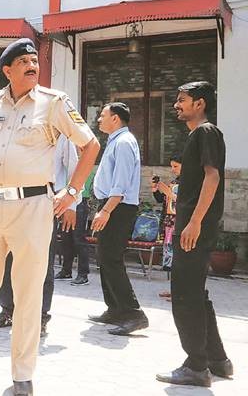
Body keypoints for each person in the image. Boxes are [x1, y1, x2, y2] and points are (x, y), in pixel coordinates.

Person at [0, 38, 99, 396]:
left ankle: (22, 374)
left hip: (33, 206)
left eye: (34, 60)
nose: (32, 65)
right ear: (7, 70)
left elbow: (90, 144)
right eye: (23, 61)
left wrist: (72, 192)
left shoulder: (54, 102)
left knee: (28, 290)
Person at [156, 81, 232, 388]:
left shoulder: (206, 132)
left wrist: (195, 221)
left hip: (194, 228)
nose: (177, 105)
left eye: (182, 100)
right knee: (196, 294)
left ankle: (196, 367)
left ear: (199, 104)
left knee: (185, 295)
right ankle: (217, 360)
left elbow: (212, 178)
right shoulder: (199, 135)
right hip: (193, 226)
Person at [0, 134, 80, 337]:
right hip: (12, 202)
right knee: (8, 259)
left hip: (46, 204)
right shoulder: (16, 127)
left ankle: (40, 316)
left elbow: (74, 168)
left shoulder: (61, 132)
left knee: (42, 263)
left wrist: (72, 204)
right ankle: (8, 309)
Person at [88, 102, 148, 336]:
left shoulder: (123, 142)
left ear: (115, 118)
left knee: (111, 258)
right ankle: (114, 309)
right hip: (111, 205)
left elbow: (121, 184)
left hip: (118, 207)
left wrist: (106, 211)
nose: (99, 119)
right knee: (104, 257)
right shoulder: (115, 141)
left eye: (102, 115)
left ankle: (134, 313)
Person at [57, 164, 95, 286]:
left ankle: (83, 274)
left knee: (79, 239)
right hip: (65, 201)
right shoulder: (67, 163)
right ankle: (66, 271)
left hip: (80, 202)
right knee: (66, 237)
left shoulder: (84, 164)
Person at [153, 155, 181, 298]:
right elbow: (163, 200)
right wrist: (156, 189)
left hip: (180, 223)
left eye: (176, 166)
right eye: (172, 166)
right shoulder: (175, 182)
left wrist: (169, 193)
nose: (173, 169)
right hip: (170, 222)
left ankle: (180, 292)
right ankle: (173, 290)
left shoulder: (190, 183)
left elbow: (184, 202)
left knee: (179, 257)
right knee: (171, 256)